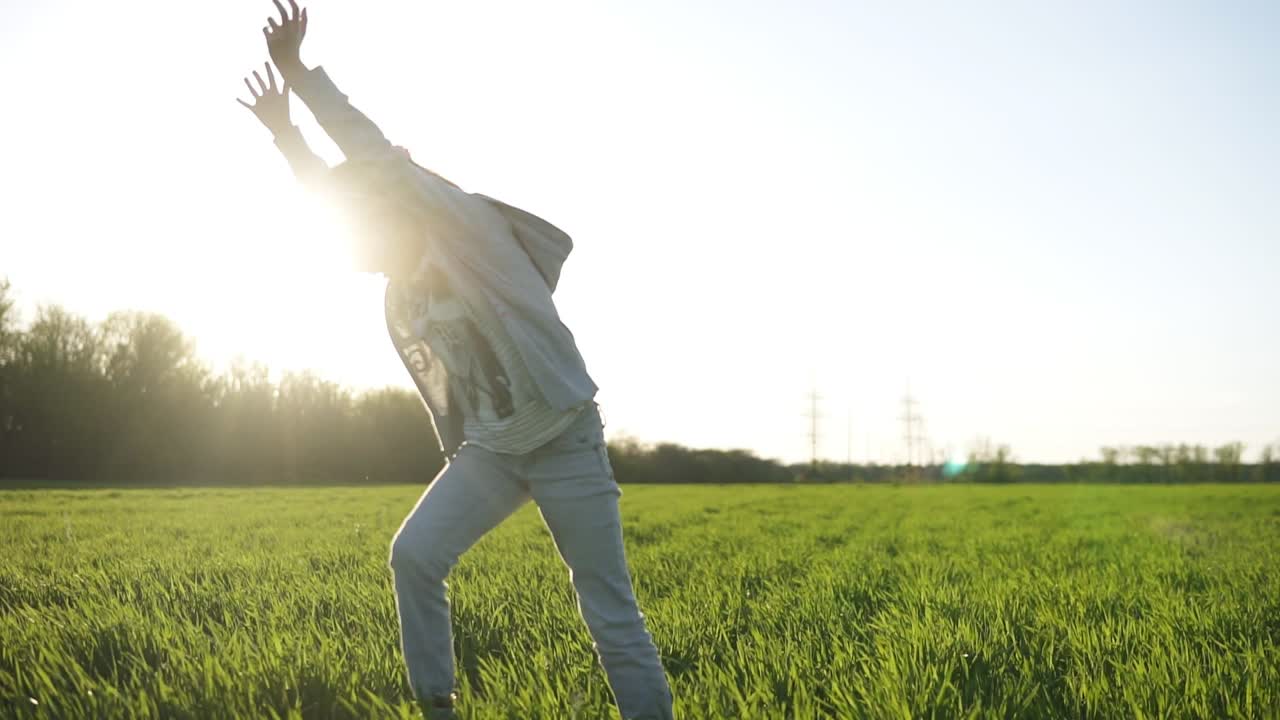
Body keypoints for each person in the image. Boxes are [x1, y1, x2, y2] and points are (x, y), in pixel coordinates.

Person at [235, 3, 674, 718]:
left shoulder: (461, 228)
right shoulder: (398, 290)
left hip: (564, 439)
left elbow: (368, 154)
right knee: (415, 556)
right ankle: (438, 708)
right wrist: (286, 137)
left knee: (609, 614)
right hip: (495, 450)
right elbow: (333, 195)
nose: (358, 253)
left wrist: (300, 77)